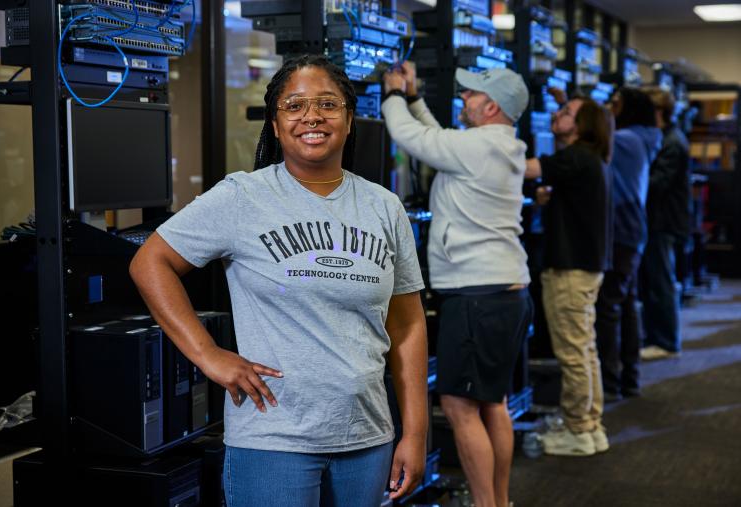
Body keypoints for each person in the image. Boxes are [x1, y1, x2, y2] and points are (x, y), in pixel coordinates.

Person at [130, 55, 428, 507]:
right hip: (273, 438)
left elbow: (407, 326)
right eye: (294, 106)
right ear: (275, 124)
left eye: (327, 104)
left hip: (367, 437)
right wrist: (207, 355)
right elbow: (150, 262)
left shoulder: (383, 208)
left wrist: (416, 432)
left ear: (349, 120)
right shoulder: (242, 197)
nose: (312, 116)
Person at [382, 62, 533, 507]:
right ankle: (499, 501)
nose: (463, 100)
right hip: (506, 291)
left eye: (471, 96)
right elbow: (438, 142)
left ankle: (487, 505)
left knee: (459, 407)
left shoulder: (479, 146)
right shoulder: (499, 145)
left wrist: (392, 94)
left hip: (476, 297)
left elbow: (413, 139)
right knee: (493, 403)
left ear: (491, 107)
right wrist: (413, 100)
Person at [525, 97, 614, 456]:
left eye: (566, 113)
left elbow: (528, 168)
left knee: (573, 353)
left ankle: (578, 431)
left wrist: (485, 146)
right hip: (587, 267)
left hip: (571, 270)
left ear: (582, 125)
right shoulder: (592, 160)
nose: (557, 115)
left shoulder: (576, 157)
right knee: (585, 350)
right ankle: (589, 424)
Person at [595, 87, 662, 400]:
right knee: (625, 305)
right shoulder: (643, 137)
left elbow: (593, 142)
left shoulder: (627, 140)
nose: (610, 107)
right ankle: (629, 377)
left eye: (615, 103)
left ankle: (610, 383)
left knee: (609, 307)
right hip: (631, 230)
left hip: (621, 231)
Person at [639, 87, 691, 360]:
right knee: (655, 282)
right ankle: (656, 337)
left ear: (658, 111)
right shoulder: (667, 138)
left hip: (664, 222)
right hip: (659, 221)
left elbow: (657, 184)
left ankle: (667, 341)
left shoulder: (672, 141)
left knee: (661, 282)